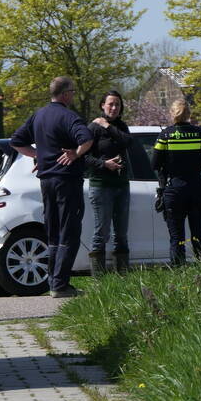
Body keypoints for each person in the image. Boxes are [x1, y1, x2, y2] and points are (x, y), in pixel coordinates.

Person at [10, 77, 93, 298]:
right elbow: (87, 139)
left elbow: (16, 141)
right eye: (72, 91)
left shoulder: (39, 115)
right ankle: (60, 285)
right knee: (69, 230)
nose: (73, 95)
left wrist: (39, 155)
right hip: (67, 180)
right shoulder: (69, 116)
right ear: (65, 93)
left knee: (53, 231)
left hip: (46, 182)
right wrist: (75, 153)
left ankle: (53, 282)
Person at [152, 99, 201, 265]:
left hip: (174, 190)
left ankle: (179, 272)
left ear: (172, 113)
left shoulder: (165, 135)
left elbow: (155, 164)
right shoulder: (200, 133)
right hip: (196, 188)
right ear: (188, 114)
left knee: (177, 237)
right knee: (199, 234)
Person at [85, 90, 132, 275]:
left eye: (117, 104)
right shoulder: (93, 128)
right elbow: (83, 156)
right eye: (110, 104)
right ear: (102, 105)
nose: (114, 107)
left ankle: (122, 277)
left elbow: (128, 142)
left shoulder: (121, 126)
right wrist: (104, 164)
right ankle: (100, 280)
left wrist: (108, 126)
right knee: (102, 232)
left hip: (122, 185)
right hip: (101, 186)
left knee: (121, 234)